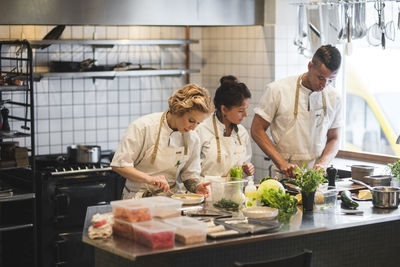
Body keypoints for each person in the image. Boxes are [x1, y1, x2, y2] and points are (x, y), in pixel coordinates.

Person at [251, 45, 342, 179]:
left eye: (330, 80)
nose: (324, 85)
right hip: (284, 174)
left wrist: (323, 163)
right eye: (321, 77)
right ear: (310, 66)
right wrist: (282, 163)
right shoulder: (278, 90)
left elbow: (334, 138)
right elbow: (256, 129)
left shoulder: (334, 98)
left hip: (315, 176)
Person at [111, 84, 214, 199]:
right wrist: (149, 179)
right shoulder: (144, 127)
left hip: (171, 200)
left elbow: (189, 175)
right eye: (191, 120)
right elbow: (120, 165)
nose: (193, 127)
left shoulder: (192, 138)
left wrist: (196, 187)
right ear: (178, 110)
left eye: (198, 123)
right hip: (138, 199)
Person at [196, 75, 254, 178]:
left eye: (246, 109)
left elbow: (244, 169)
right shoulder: (201, 130)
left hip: (234, 192)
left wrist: (246, 170)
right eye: (240, 111)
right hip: (207, 192)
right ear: (224, 109)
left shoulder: (242, 133)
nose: (245, 115)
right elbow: (189, 172)